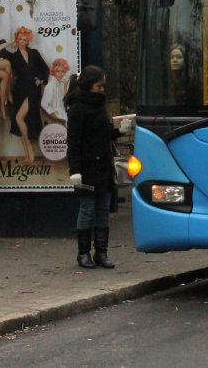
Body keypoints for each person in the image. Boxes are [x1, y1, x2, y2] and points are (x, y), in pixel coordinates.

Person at [66, 65, 122, 269]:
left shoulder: (99, 105)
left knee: (102, 210)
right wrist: (75, 171)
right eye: (99, 85)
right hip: (88, 168)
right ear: (90, 85)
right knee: (88, 209)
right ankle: (83, 253)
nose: (102, 89)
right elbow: (73, 142)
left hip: (103, 166)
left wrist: (119, 130)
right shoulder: (78, 109)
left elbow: (104, 133)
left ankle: (101, 252)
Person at [0, 26, 50, 163]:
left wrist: (41, 79)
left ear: (28, 41)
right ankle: (28, 155)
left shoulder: (35, 53)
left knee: (19, 118)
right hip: (20, 90)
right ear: (17, 40)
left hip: (33, 89)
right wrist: (10, 42)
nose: (22, 41)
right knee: (19, 120)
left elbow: (45, 69)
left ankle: (30, 153)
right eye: (19, 39)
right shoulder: (13, 56)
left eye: (24, 39)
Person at [41, 58, 71, 124]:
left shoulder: (61, 83)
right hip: (58, 114)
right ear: (54, 71)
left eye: (63, 71)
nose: (60, 74)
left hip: (64, 112)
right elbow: (44, 104)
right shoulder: (50, 85)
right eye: (58, 71)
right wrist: (55, 116)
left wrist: (65, 87)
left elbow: (66, 101)